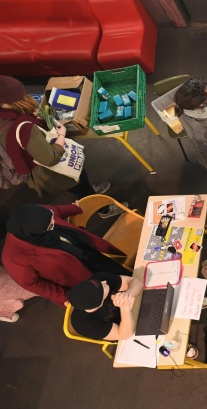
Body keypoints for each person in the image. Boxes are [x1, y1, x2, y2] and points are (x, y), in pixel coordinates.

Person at [0, 75, 119, 217]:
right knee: (76, 182)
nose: (25, 98)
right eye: (19, 97)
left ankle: (90, 192)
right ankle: (102, 209)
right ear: (5, 103)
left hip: (32, 162)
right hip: (49, 171)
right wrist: (61, 134)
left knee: (79, 182)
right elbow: (51, 159)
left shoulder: (10, 119)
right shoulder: (23, 128)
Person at [2, 203, 131, 306]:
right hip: (75, 277)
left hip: (85, 252)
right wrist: (66, 296)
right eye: (49, 225)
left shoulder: (39, 215)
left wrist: (76, 207)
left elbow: (55, 211)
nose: (54, 222)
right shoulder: (13, 258)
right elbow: (36, 285)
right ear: (34, 232)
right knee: (111, 298)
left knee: (119, 273)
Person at [67, 273, 142, 341]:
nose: (104, 282)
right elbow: (125, 334)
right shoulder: (83, 324)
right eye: (102, 288)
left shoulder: (99, 279)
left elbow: (136, 282)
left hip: (136, 306)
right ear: (99, 303)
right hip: (130, 327)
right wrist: (124, 309)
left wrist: (128, 294)